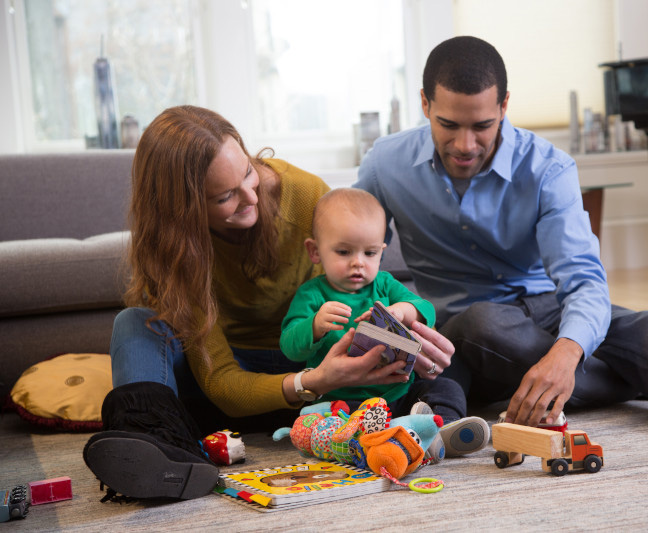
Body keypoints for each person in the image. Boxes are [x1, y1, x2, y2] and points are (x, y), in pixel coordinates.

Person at [354, 35, 648, 460]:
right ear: (425, 103)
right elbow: (354, 249)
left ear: (505, 106)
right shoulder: (385, 164)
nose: (465, 145)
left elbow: (584, 279)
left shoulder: (548, 167)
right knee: (486, 321)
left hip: (546, 305)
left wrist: (567, 353)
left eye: (483, 126)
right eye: (448, 125)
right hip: (465, 328)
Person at [82, 105, 457, 502]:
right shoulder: (171, 249)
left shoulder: (305, 195)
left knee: (441, 381)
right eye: (226, 196)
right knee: (135, 323)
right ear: (184, 211)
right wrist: (314, 381)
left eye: (247, 173)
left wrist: (403, 334)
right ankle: (158, 452)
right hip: (247, 384)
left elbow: (353, 295)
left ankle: (427, 430)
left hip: (318, 367)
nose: (251, 196)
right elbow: (220, 382)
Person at [280, 187, 489, 460]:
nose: (358, 263)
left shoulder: (386, 284)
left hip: (401, 392)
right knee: (334, 423)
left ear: (382, 252)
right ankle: (398, 437)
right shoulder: (312, 294)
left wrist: (402, 312)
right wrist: (315, 326)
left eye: (369, 253)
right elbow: (289, 346)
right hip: (347, 400)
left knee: (447, 388)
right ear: (315, 251)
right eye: (344, 252)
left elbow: (425, 309)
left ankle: (442, 429)